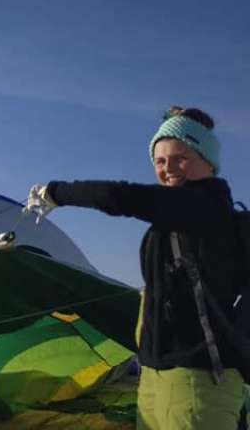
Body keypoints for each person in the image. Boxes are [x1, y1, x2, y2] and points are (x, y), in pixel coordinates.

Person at [25, 106, 245, 429]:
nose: (168, 168)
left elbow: (122, 197)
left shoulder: (207, 208)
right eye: (160, 161)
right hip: (154, 376)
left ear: (208, 161)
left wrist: (57, 192)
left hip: (197, 382)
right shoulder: (173, 217)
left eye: (180, 158)